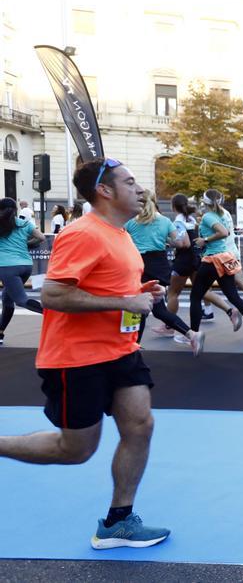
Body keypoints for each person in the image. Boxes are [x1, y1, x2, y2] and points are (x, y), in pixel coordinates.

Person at [0, 158, 170, 549]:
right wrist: (123, 300)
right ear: (105, 191)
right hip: (77, 358)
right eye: (129, 182)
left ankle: (118, 522)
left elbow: (111, 289)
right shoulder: (84, 233)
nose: (140, 188)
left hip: (121, 350)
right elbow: (54, 294)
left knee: (140, 426)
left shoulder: (121, 233)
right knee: (75, 450)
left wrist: (141, 293)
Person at [124, 192, 202, 356]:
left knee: (141, 308)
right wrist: (163, 240)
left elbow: (123, 242)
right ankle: (191, 334)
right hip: (159, 264)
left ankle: (133, 346)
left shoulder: (131, 222)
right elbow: (180, 242)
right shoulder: (165, 221)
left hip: (138, 265)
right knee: (156, 309)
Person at [190, 189, 243, 348]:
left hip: (212, 259)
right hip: (226, 258)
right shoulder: (223, 214)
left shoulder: (208, 216)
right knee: (234, 297)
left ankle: (193, 335)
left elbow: (223, 232)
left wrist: (204, 239)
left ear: (205, 203)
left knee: (196, 297)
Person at [162, 194, 236, 342]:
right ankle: (229, 310)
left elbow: (184, 243)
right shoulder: (192, 219)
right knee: (202, 291)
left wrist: (170, 242)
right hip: (196, 258)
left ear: (173, 206)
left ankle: (169, 326)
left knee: (173, 293)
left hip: (183, 260)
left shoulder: (177, 221)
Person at [0, 197, 44, 345]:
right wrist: (27, 245)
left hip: (7, 267)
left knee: (21, 300)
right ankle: (0, 333)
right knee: (7, 298)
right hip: (26, 265)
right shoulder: (24, 223)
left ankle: (52, 312)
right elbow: (41, 238)